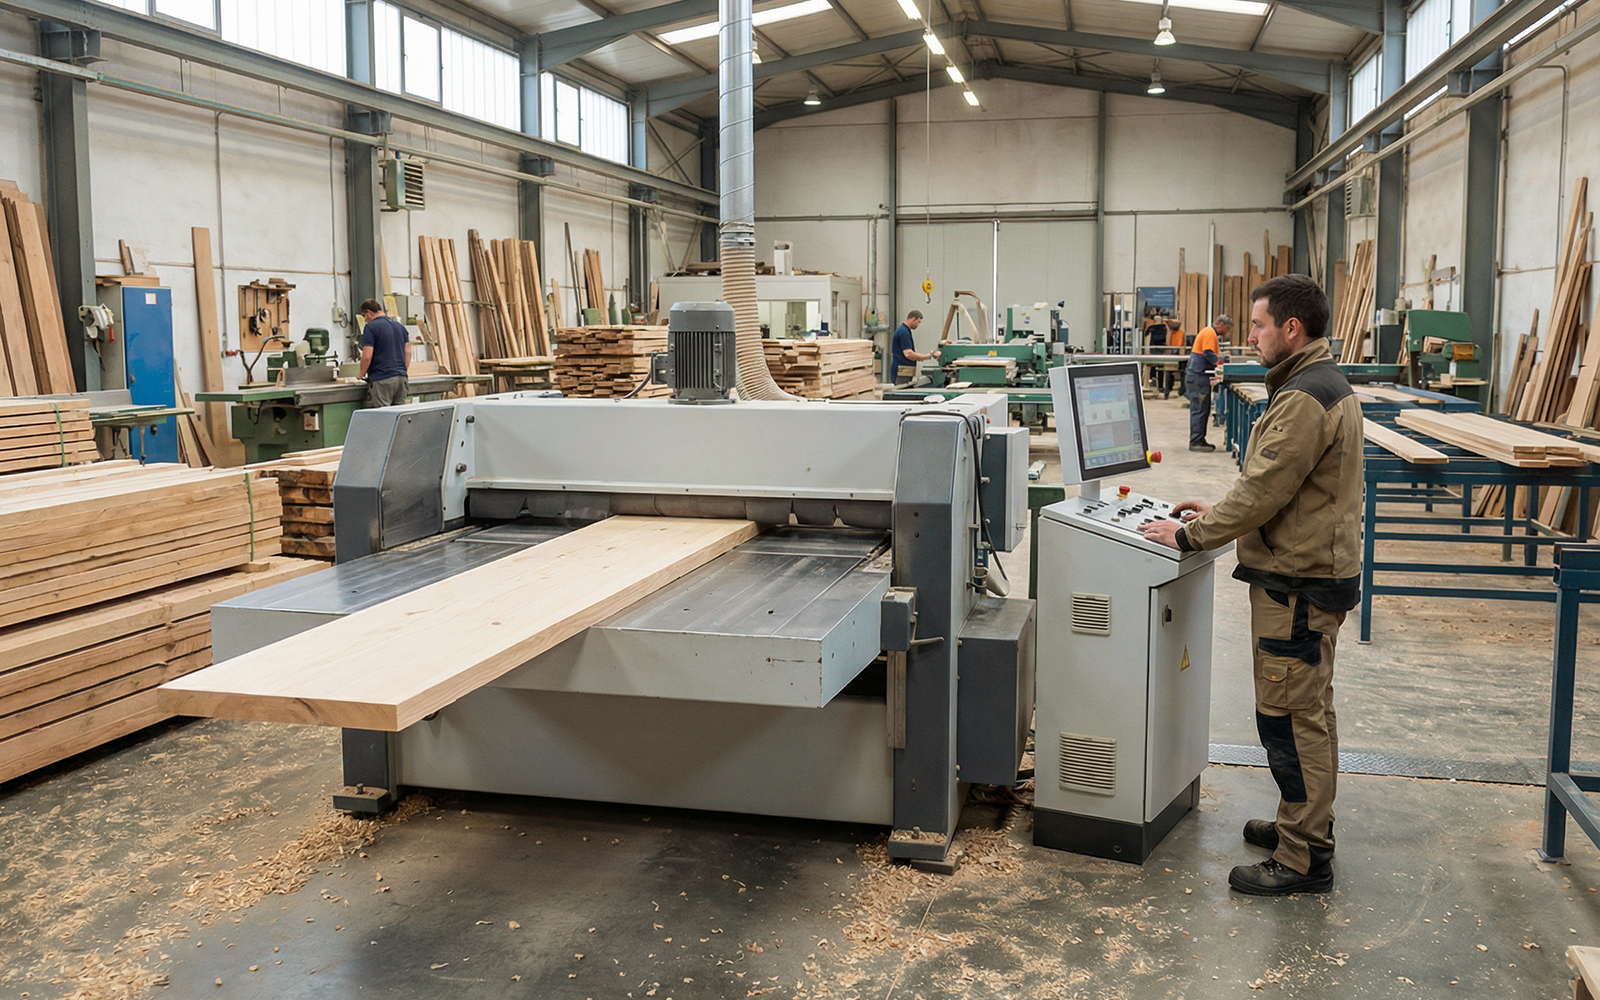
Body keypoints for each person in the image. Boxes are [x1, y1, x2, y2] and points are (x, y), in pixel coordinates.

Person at [1139, 275, 1361, 897]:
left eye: (1259, 325)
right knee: (1308, 711)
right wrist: (1215, 509)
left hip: (1298, 585)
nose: (1251, 336)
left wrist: (1189, 536)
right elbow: (1285, 489)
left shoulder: (1303, 397)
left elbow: (1264, 490)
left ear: (1292, 328)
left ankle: (1303, 857)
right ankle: (1306, 824)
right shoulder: (1316, 383)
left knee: (1290, 720)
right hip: (1310, 570)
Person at [1186, 315, 1232, 452]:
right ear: (1220, 324)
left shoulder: (1208, 332)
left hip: (1198, 377)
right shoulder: (1210, 333)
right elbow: (1208, 353)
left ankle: (1199, 439)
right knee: (1200, 410)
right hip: (1198, 377)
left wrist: (1222, 360)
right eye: (1227, 328)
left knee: (1203, 410)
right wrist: (1220, 362)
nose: (1227, 332)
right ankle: (1195, 441)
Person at [357, 298, 410, 407]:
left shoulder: (371, 328)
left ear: (369, 312)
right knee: (398, 417)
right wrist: (402, 370)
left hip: (382, 378)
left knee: (384, 417)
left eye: (364, 316)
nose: (365, 320)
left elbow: (367, 356)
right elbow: (408, 352)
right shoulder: (400, 327)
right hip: (401, 378)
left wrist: (361, 374)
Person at [889, 310, 940, 385]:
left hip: (905, 371)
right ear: (913, 319)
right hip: (902, 371)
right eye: (918, 322)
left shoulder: (905, 331)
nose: (918, 325)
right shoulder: (904, 332)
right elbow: (908, 354)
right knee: (902, 394)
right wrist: (925, 356)